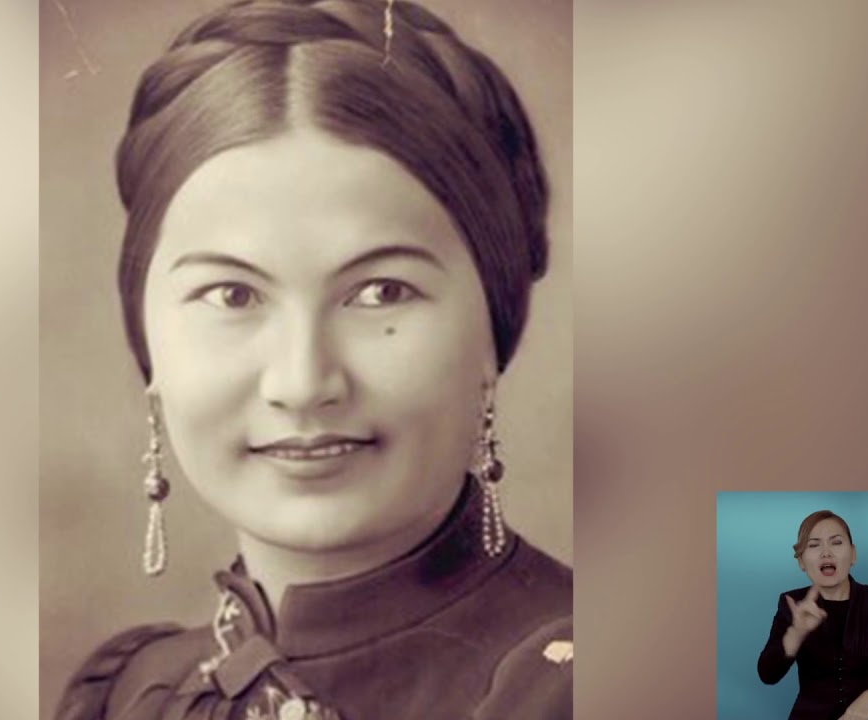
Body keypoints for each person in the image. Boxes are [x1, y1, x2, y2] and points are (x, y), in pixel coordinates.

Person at [56, 1, 570, 718]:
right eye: (233, 295)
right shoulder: (132, 695)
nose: (302, 383)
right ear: (147, 342)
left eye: (381, 292)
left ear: (493, 324)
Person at [757, 510, 868, 720]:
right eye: (814, 545)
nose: (826, 553)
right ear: (801, 561)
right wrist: (795, 635)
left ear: (853, 554)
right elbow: (767, 674)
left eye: (836, 542)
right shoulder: (792, 604)